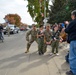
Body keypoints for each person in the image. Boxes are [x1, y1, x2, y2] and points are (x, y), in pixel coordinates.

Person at [65, 10, 76, 75]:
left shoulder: (73, 22)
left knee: (73, 57)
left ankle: (73, 72)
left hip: (74, 41)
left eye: (72, 15)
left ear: (74, 15)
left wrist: (67, 24)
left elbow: (67, 30)